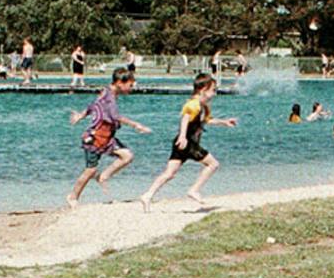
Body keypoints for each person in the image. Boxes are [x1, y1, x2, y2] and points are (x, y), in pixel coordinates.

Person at [140, 73, 236, 209]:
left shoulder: (204, 107)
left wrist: (224, 122)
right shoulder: (194, 104)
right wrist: (183, 136)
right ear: (203, 90)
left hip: (181, 144)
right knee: (213, 164)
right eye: (213, 90)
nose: (215, 93)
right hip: (188, 143)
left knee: (170, 173)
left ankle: (148, 195)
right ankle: (194, 190)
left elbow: (208, 120)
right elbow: (185, 118)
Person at [67, 67, 152, 207]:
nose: (131, 89)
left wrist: (81, 115)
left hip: (108, 138)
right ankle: (73, 196)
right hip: (94, 138)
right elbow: (115, 116)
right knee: (90, 170)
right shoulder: (110, 97)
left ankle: (103, 176)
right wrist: (137, 125)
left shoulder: (106, 91)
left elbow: (93, 105)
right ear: (119, 82)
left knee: (127, 156)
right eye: (130, 85)